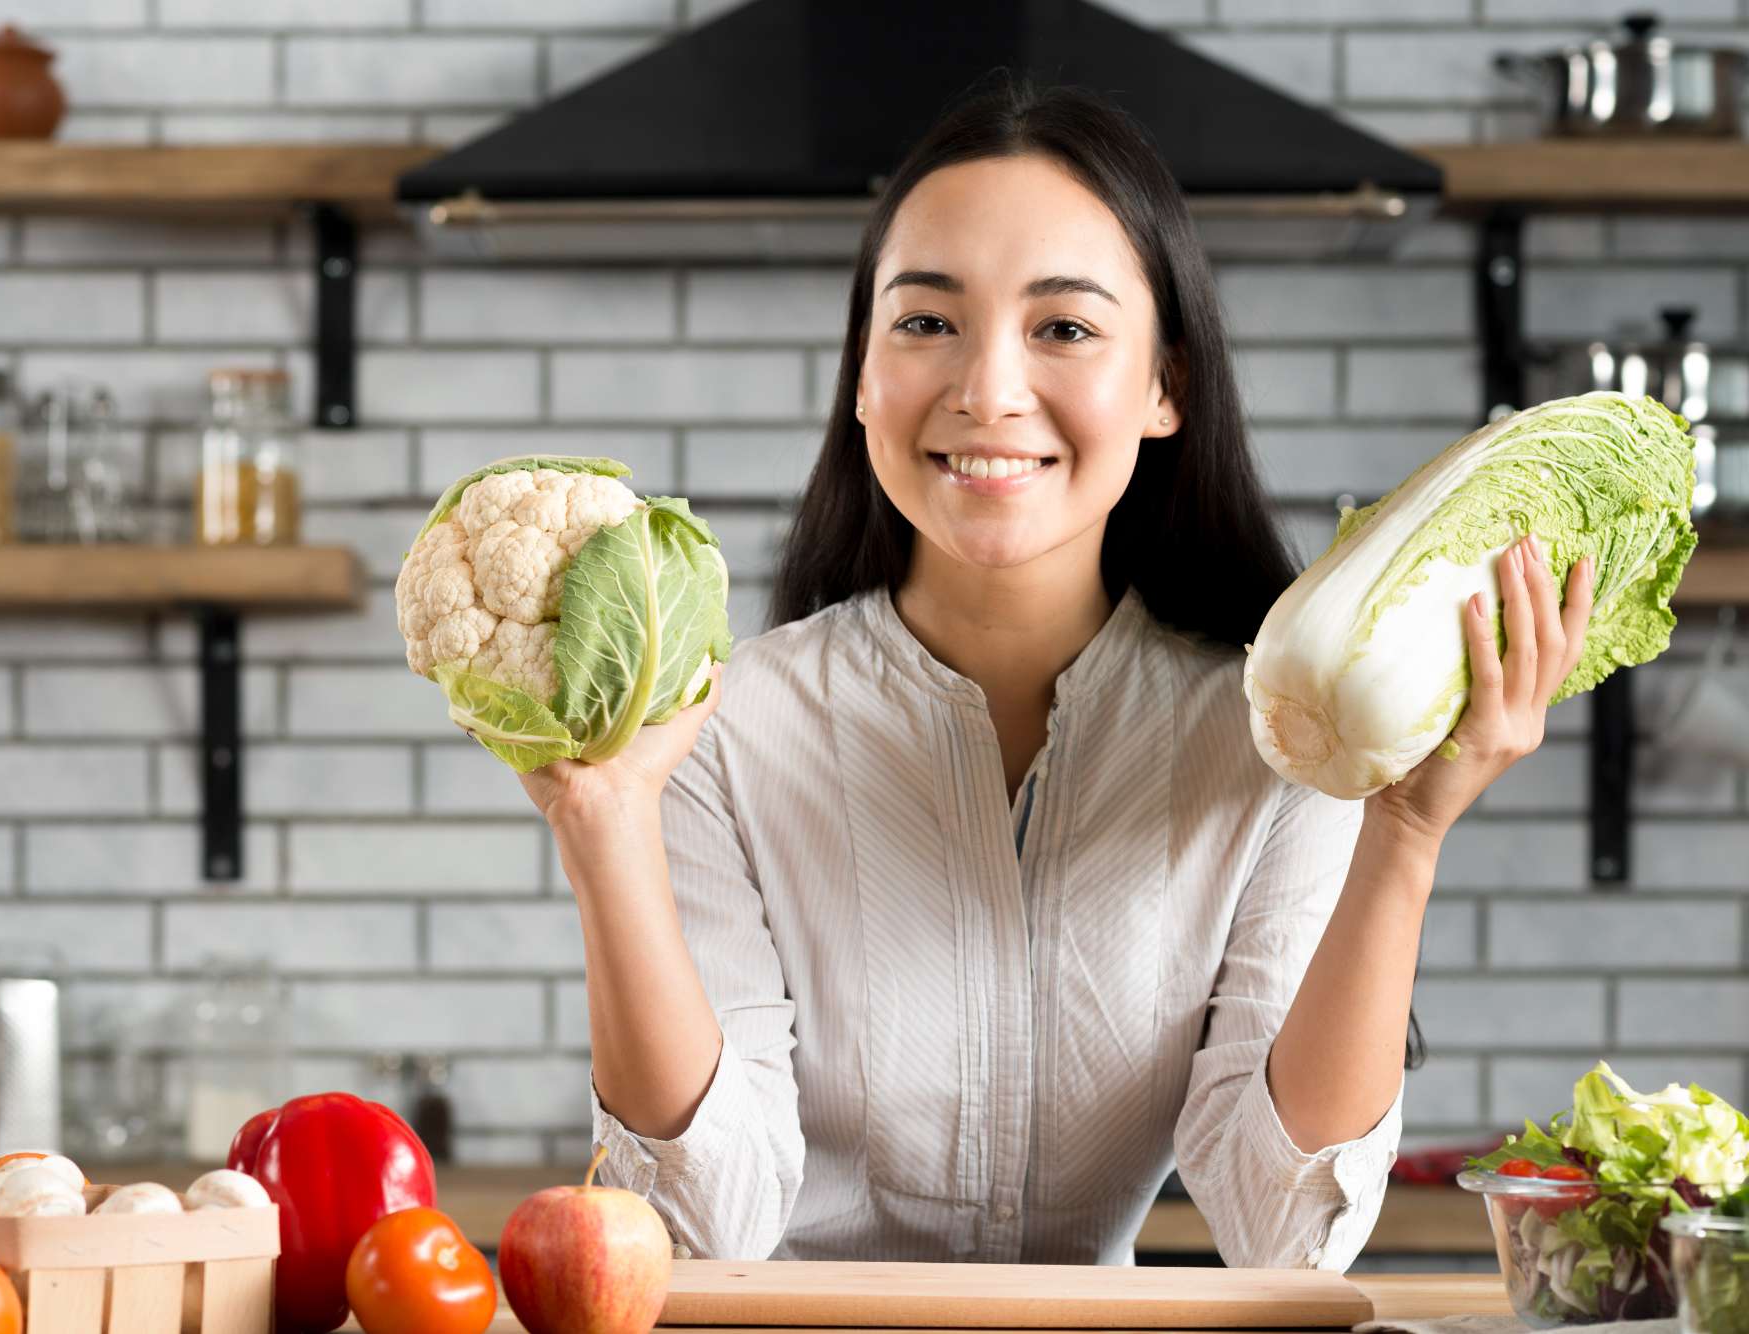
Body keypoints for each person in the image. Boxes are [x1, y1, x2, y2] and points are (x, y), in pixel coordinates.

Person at [516, 82, 1594, 1267]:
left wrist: (1403, 827)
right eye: (924, 323)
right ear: (861, 378)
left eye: (1063, 328)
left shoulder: (1278, 739)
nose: (985, 388)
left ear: (1163, 386)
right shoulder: (714, 727)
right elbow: (704, 1224)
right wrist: (603, 828)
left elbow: (1283, 1232)